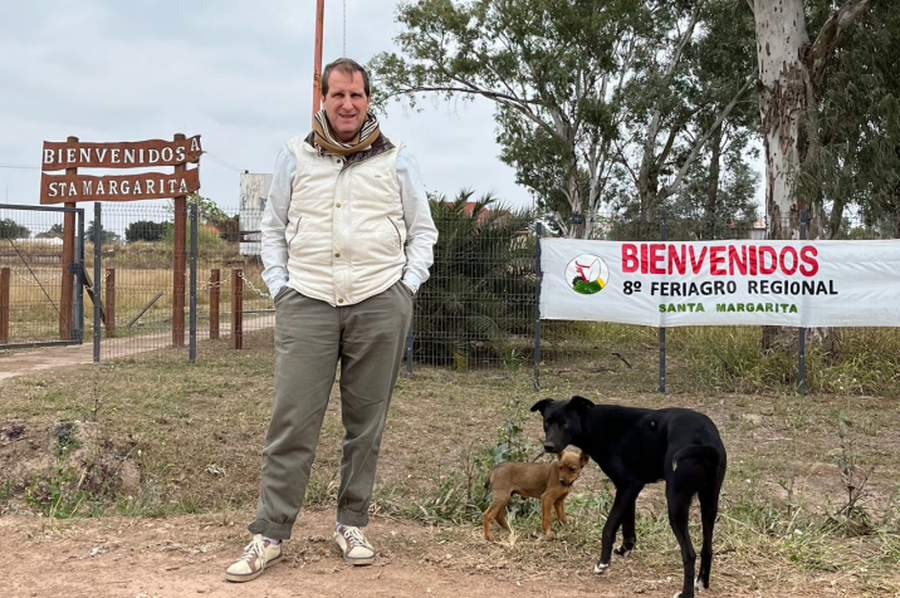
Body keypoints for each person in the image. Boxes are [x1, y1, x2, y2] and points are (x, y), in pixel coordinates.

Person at [225, 57, 438, 583]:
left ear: (368, 101)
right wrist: (280, 286)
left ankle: (351, 523)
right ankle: (270, 532)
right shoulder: (294, 156)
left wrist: (405, 287)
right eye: (337, 94)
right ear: (321, 98)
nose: (347, 104)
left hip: (379, 300)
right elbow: (272, 227)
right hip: (308, 301)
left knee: (365, 424)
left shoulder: (397, 160)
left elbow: (423, 230)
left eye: (357, 96)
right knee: (292, 421)